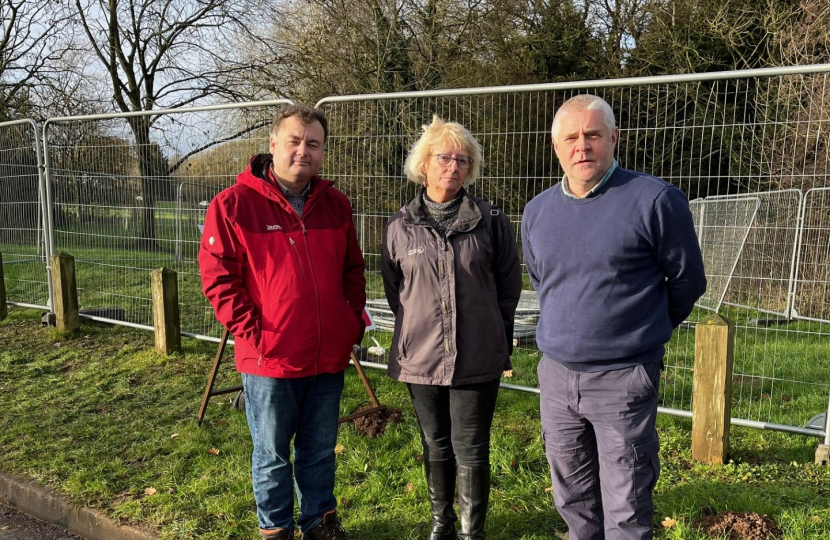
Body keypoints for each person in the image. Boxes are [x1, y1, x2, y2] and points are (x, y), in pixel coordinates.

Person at [521, 94, 706, 540]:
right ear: (556, 147)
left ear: (614, 139)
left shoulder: (655, 200)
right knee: (572, 498)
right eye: (571, 138)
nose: (581, 146)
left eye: (592, 135)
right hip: (557, 377)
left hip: (623, 378)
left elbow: (687, 282)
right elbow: (544, 278)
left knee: (626, 505)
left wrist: (639, 331)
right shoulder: (537, 211)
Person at [199, 104, 366, 540]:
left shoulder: (335, 204)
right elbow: (220, 280)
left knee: (319, 450)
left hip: (328, 354)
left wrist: (349, 324)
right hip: (270, 358)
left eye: (313, 144)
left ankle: (319, 522)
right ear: (272, 145)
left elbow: (353, 271)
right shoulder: (234, 205)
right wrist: (256, 335)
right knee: (272, 453)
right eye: (294, 141)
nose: (302, 151)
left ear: (323, 151)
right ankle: (275, 529)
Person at [381, 116, 522, 540]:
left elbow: (507, 288)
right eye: (445, 157)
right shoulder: (399, 226)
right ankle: (441, 525)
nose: (453, 167)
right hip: (420, 355)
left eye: (463, 160)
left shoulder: (491, 221)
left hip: (477, 355)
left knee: (472, 446)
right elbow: (396, 291)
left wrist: (495, 338)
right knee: (435, 444)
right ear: (424, 164)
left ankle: (469, 533)